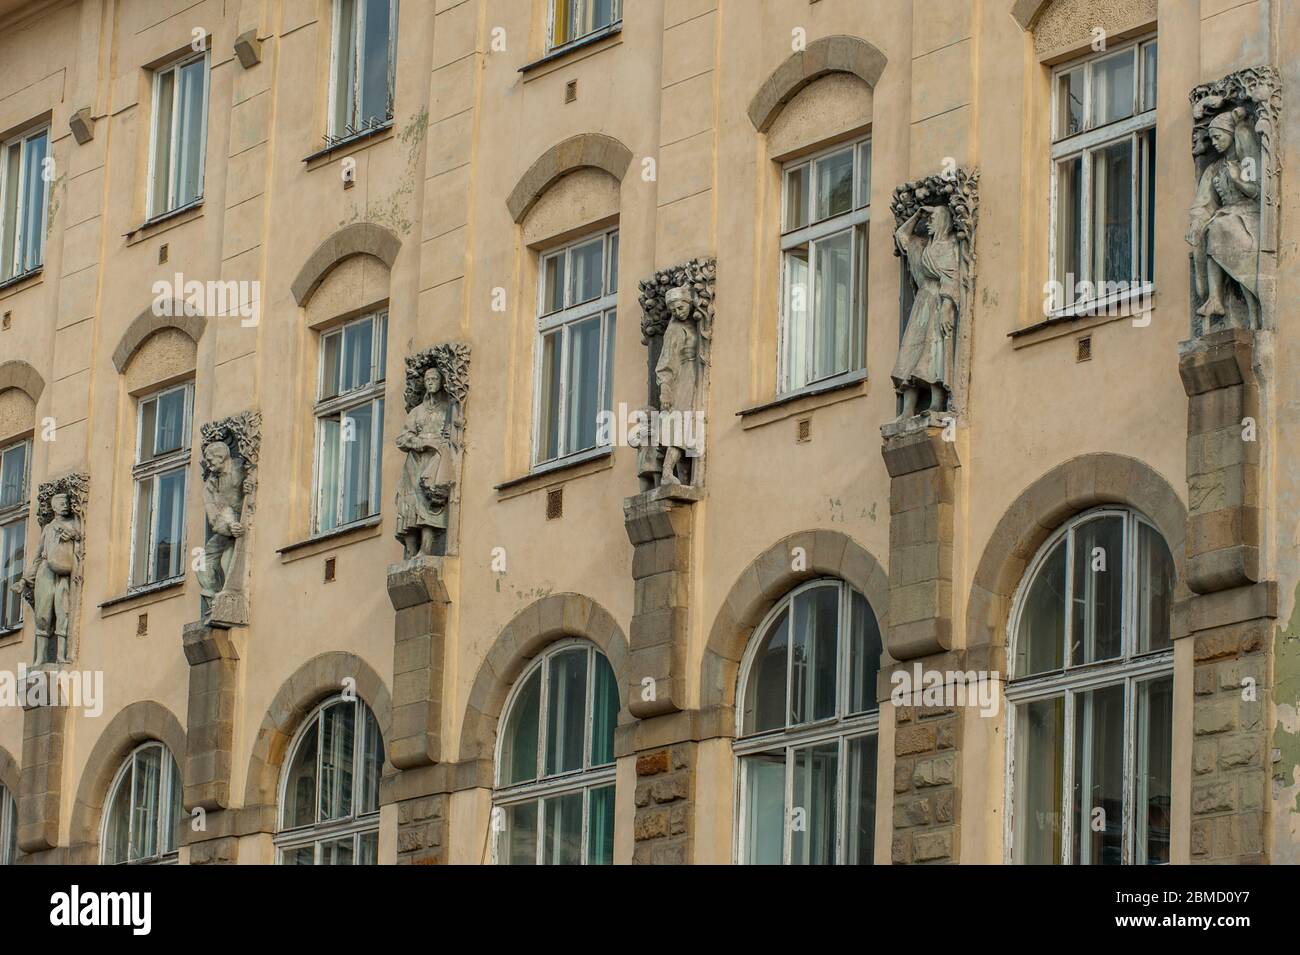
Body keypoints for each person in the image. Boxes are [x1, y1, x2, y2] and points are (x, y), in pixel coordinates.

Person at [1188, 108, 1260, 326]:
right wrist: (1196, 223)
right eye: (1212, 139)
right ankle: (1214, 298)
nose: (1216, 143)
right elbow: (1203, 203)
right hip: (1227, 216)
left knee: (1219, 225)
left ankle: (1246, 309)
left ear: (1231, 134)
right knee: (1213, 227)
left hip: (1248, 216)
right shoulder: (1214, 168)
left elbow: (1256, 190)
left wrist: (1238, 181)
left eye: (1219, 137)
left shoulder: (1245, 162)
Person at [892, 203, 959, 420]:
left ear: (942, 222)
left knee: (935, 352)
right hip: (922, 302)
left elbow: (953, 278)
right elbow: (901, 234)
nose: (928, 224)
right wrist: (917, 215)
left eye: (932, 220)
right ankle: (908, 409)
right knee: (910, 354)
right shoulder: (920, 245)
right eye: (927, 221)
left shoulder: (951, 246)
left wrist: (948, 306)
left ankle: (937, 402)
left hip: (938, 302)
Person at [395, 363, 462, 557]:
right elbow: (402, 438)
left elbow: (451, 434)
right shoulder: (416, 411)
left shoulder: (447, 409)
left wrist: (440, 444)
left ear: (441, 383)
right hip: (415, 462)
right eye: (428, 380)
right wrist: (419, 442)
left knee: (429, 502)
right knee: (409, 503)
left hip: (435, 460)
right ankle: (411, 550)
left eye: (434, 379)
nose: (431, 383)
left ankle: (426, 549)